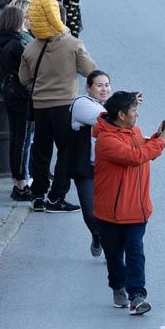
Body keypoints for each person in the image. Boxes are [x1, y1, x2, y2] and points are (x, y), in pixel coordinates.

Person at [18, 0, 96, 212]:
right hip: (65, 105)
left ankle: (38, 195)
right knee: (66, 152)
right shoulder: (72, 44)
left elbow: (23, 78)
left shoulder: (31, 47)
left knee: (41, 152)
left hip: (40, 106)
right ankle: (56, 196)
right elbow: (89, 70)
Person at [92, 90, 165, 316]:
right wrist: (159, 143)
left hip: (137, 209)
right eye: (134, 111)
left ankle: (137, 295)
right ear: (120, 114)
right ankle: (117, 286)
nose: (137, 115)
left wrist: (157, 138)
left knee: (135, 251)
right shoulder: (107, 140)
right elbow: (133, 157)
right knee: (114, 254)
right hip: (112, 212)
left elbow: (142, 150)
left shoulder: (133, 131)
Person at [0, 4, 32, 201]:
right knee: (22, 138)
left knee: (16, 136)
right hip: (21, 92)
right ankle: (21, 184)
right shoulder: (17, 44)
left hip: (9, 90)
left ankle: (19, 181)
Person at [70, 70, 109, 257]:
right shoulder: (82, 104)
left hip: (108, 169)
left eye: (107, 85)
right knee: (90, 211)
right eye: (99, 85)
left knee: (112, 211)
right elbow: (104, 120)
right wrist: (126, 108)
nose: (104, 89)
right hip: (86, 168)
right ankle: (97, 234)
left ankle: (111, 246)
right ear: (88, 87)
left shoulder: (110, 107)